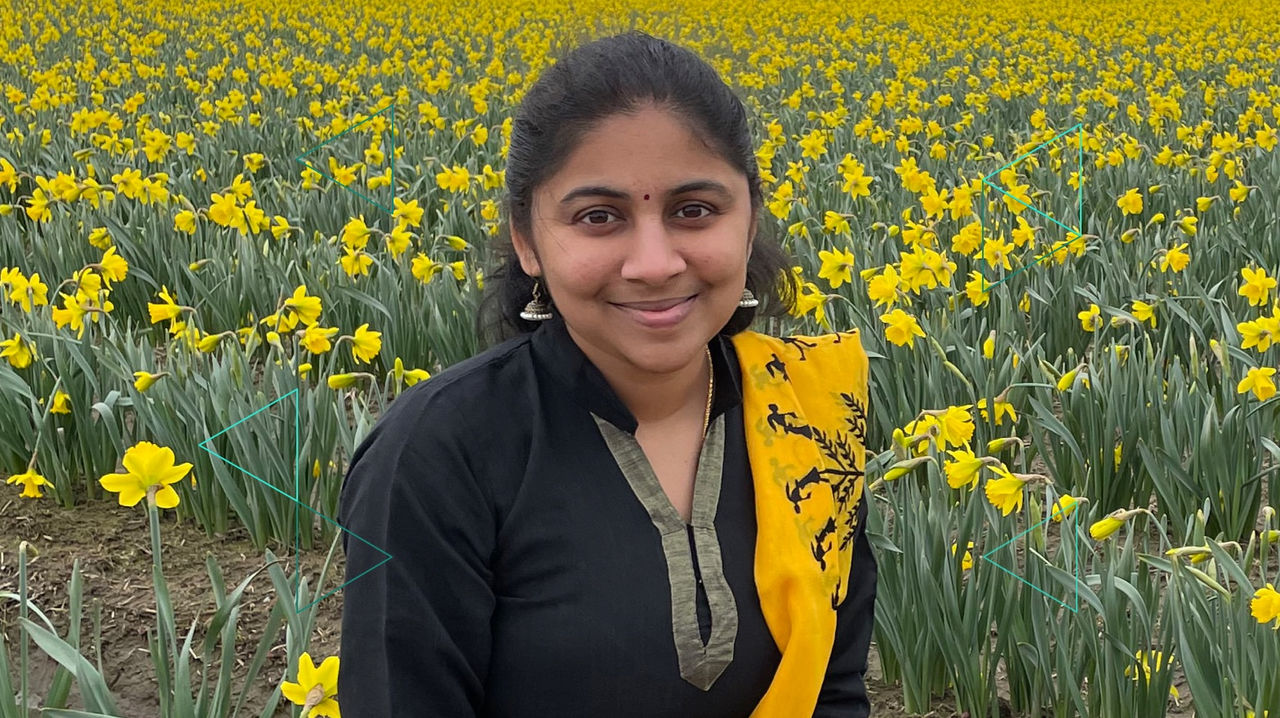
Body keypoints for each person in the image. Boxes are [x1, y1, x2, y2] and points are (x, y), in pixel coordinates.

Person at [337, 30, 877, 718]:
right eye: (599, 217)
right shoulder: (438, 456)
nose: (653, 263)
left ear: (749, 220)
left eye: (694, 210)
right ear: (527, 239)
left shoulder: (808, 412)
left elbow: (835, 692)